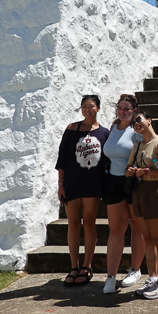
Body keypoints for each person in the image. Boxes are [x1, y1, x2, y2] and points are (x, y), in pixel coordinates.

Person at [55, 94, 109, 286]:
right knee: (73, 223)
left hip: (93, 183)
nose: (88, 109)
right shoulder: (71, 129)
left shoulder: (104, 133)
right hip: (72, 182)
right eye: (84, 106)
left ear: (98, 108)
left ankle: (87, 265)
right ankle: (73, 266)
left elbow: (107, 161)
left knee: (89, 223)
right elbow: (62, 159)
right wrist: (61, 184)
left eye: (91, 106)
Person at [101, 94, 146, 294]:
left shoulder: (137, 130)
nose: (123, 111)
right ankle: (110, 277)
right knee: (116, 229)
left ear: (134, 110)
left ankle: (135, 270)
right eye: (120, 108)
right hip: (113, 181)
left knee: (137, 225)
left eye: (127, 109)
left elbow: (148, 151)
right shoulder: (112, 128)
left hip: (134, 182)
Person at [126, 110, 158, 300]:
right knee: (147, 238)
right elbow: (127, 169)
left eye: (138, 119)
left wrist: (145, 171)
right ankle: (152, 278)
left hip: (154, 191)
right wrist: (130, 171)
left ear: (149, 120)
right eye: (133, 123)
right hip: (138, 191)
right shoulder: (137, 146)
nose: (136, 124)